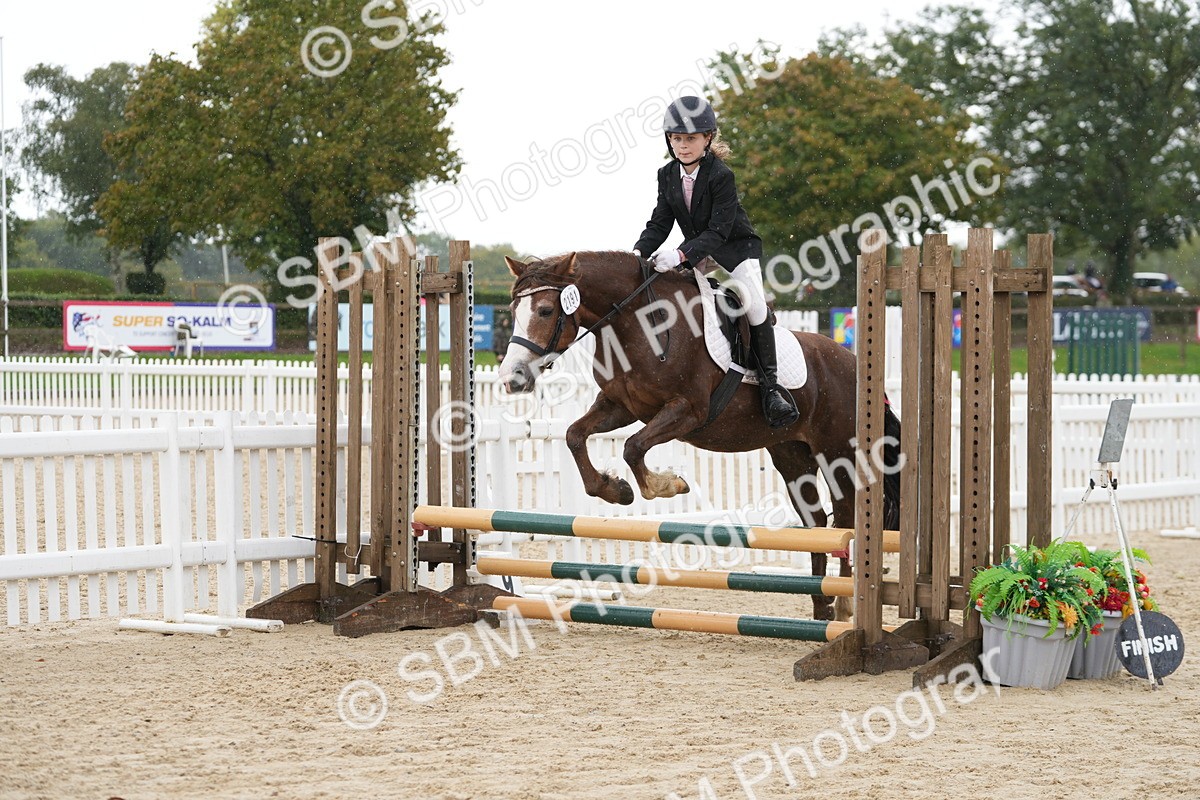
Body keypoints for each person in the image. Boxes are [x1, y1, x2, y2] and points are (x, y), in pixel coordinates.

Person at [632, 96, 799, 428]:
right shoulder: (666, 175)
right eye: (676, 139)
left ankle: (771, 390)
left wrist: (680, 255)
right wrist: (637, 254)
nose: (682, 146)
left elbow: (720, 230)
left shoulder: (721, 175)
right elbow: (659, 223)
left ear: (707, 138)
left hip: (734, 248)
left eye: (690, 138)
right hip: (698, 248)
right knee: (670, 293)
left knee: (753, 307)